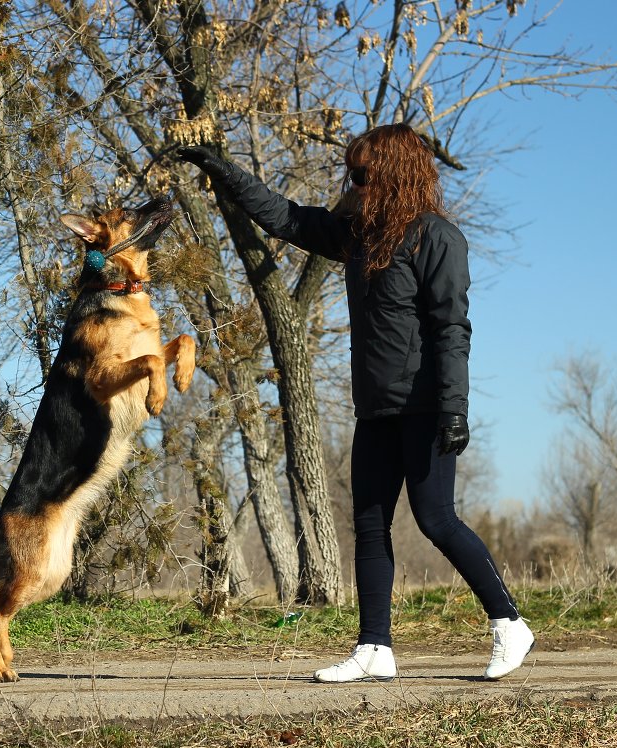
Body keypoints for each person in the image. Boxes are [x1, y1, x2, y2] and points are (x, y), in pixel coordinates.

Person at [178, 124, 535, 682]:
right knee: (369, 525)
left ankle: (509, 622)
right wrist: (222, 169)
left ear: (393, 172)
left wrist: (455, 408)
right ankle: (375, 648)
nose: (355, 181)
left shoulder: (438, 238)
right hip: (375, 408)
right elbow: (285, 216)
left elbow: (451, 330)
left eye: (365, 172)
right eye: (353, 172)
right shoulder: (359, 235)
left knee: (437, 520)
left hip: (426, 408)